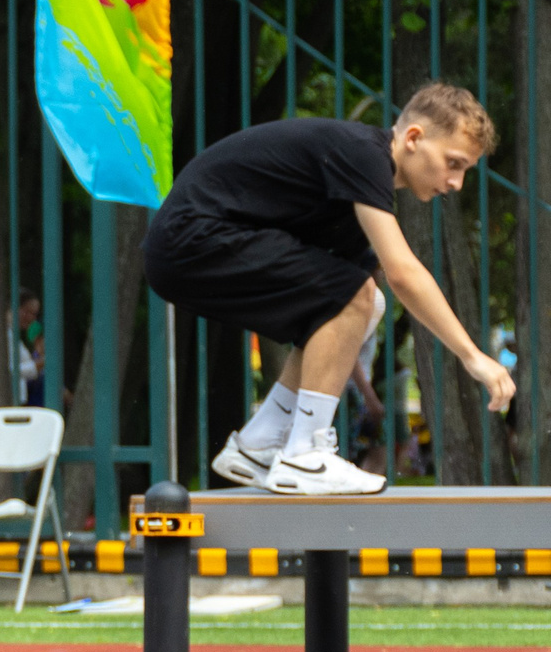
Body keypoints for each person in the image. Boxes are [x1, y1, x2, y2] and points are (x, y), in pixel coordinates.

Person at [145, 82, 514, 496]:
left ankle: (259, 442)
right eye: (454, 163)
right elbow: (404, 273)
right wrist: (473, 356)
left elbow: (352, 297)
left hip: (193, 245)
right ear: (413, 138)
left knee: (355, 302)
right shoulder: (362, 153)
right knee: (357, 295)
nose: (456, 182)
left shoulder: (353, 194)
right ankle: (305, 454)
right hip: (194, 238)